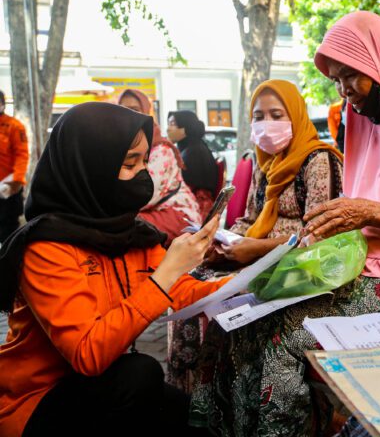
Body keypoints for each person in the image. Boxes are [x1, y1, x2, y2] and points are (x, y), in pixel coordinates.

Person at [190, 12, 380, 436]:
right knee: (239, 321)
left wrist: (369, 213)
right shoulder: (362, 123)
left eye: (351, 76)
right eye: (336, 80)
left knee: (282, 333)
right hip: (364, 268)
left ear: (379, 66)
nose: (345, 91)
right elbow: (356, 215)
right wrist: (330, 227)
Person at [0, 102, 228, 437]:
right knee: (140, 375)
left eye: (144, 161)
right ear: (90, 167)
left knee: (191, 416)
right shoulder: (46, 248)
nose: (142, 174)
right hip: (35, 402)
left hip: (96, 385)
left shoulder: (129, 232)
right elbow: (88, 354)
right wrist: (167, 272)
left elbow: (179, 292)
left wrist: (250, 285)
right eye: (128, 163)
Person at [165, 80, 344, 392]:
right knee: (186, 282)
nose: (266, 125)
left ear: (296, 115)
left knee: (212, 299)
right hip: (249, 256)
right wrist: (219, 242)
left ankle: (218, 396)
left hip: (292, 266)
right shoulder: (267, 163)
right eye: (259, 117)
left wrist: (255, 249)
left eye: (277, 114)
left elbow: (319, 234)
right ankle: (188, 395)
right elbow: (249, 217)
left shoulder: (319, 161)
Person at [117, 90, 201, 242]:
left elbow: (144, 195)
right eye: (122, 110)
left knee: (120, 228)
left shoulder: (161, 149)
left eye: (135, 110)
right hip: (146, 209)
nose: (127, 115)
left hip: (176, 212)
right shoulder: (122, 145)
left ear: (146, 113)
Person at [166, 110, 218, 216]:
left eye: (173, 124)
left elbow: (185, 185)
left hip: (197, 208)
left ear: (186, 126)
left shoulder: (194, 152)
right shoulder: (190, 148)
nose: (168, 129)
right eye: (168, 124)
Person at [0, 90, 29, 243]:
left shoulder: (15, 127)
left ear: (3, 104)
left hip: (8, 188)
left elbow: (22, 156)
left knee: (8, 229)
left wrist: (14, 183)